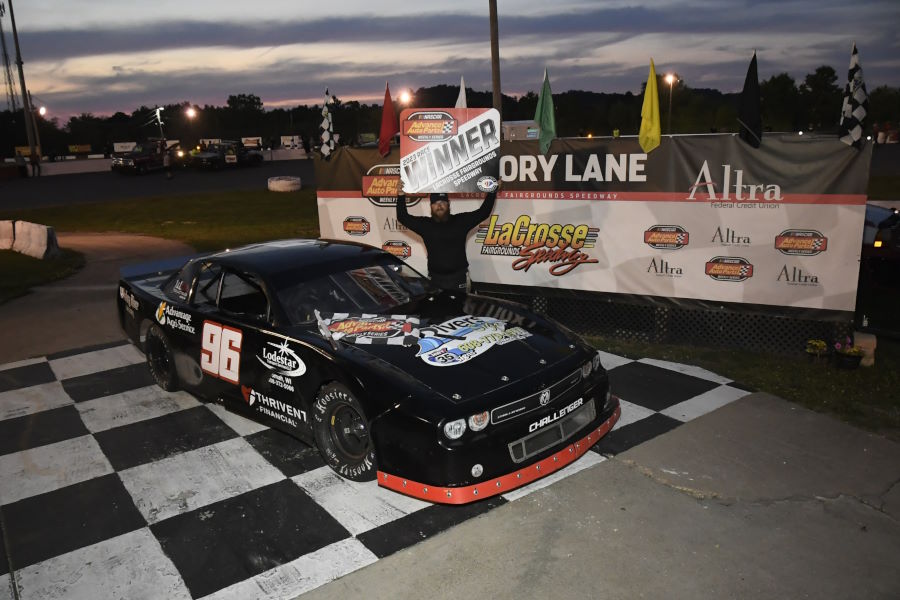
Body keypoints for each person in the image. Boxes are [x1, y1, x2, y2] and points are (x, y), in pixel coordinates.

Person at [396, 185, 498, 292]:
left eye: (442, 202)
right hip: (435, 279)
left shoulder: (461, 221)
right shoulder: (425, 225)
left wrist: (492, 191)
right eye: (435, 203)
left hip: (459, 279)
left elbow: (484, 212)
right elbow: (403, 217)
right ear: (431, 206)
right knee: (436, 309)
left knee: (461, 308)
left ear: (449, 204)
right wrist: (401, 195)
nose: (439, 206)